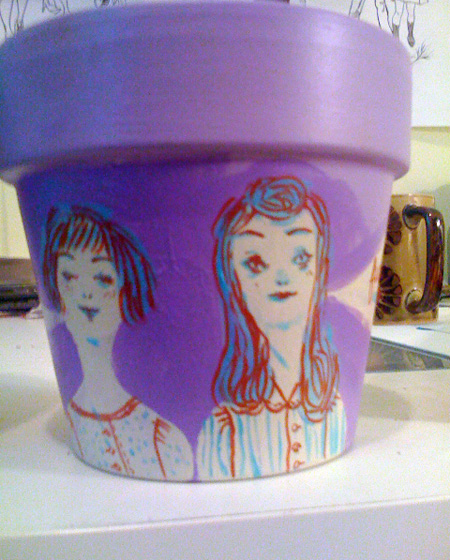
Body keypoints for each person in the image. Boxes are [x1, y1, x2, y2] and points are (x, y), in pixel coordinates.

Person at [197, 177, 346, 480]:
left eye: (300, 258)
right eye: (255, 262)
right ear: (233, 283)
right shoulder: (224, 430)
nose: (281, 275)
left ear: (320, 271)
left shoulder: (333, 411)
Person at [43, 205, 194, 481]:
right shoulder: (72, 426)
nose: (86, 292)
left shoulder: (163, 442)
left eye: (103, 278)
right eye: (69, 276)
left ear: (126, 291)